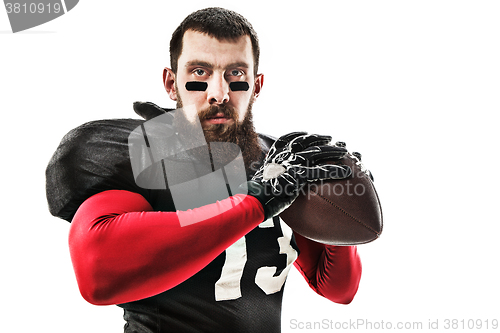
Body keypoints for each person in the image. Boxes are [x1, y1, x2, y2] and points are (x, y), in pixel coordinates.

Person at [46, 7, 362, 333]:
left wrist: (341, 203)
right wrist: (254, 203)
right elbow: (97, 272)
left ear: (256, 85)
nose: (219, 93)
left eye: (236, 74)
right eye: (200, 72)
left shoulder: (279, 162)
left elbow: (338, 289)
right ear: (172, 83)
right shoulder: (145, 152)